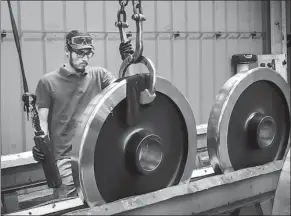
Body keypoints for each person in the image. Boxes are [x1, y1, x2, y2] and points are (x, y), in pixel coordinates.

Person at [32, 30, 134, 199]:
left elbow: (125, 91)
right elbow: (42, 123)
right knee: (69, 207)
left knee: (103, 203)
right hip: (65, 161)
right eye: (79, 53)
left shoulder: (99, 75)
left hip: (96, 156)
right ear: (67, 51)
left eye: (89, 53)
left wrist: (127, 61)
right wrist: (41, 146)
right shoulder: (47, 82)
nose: (85, 58)